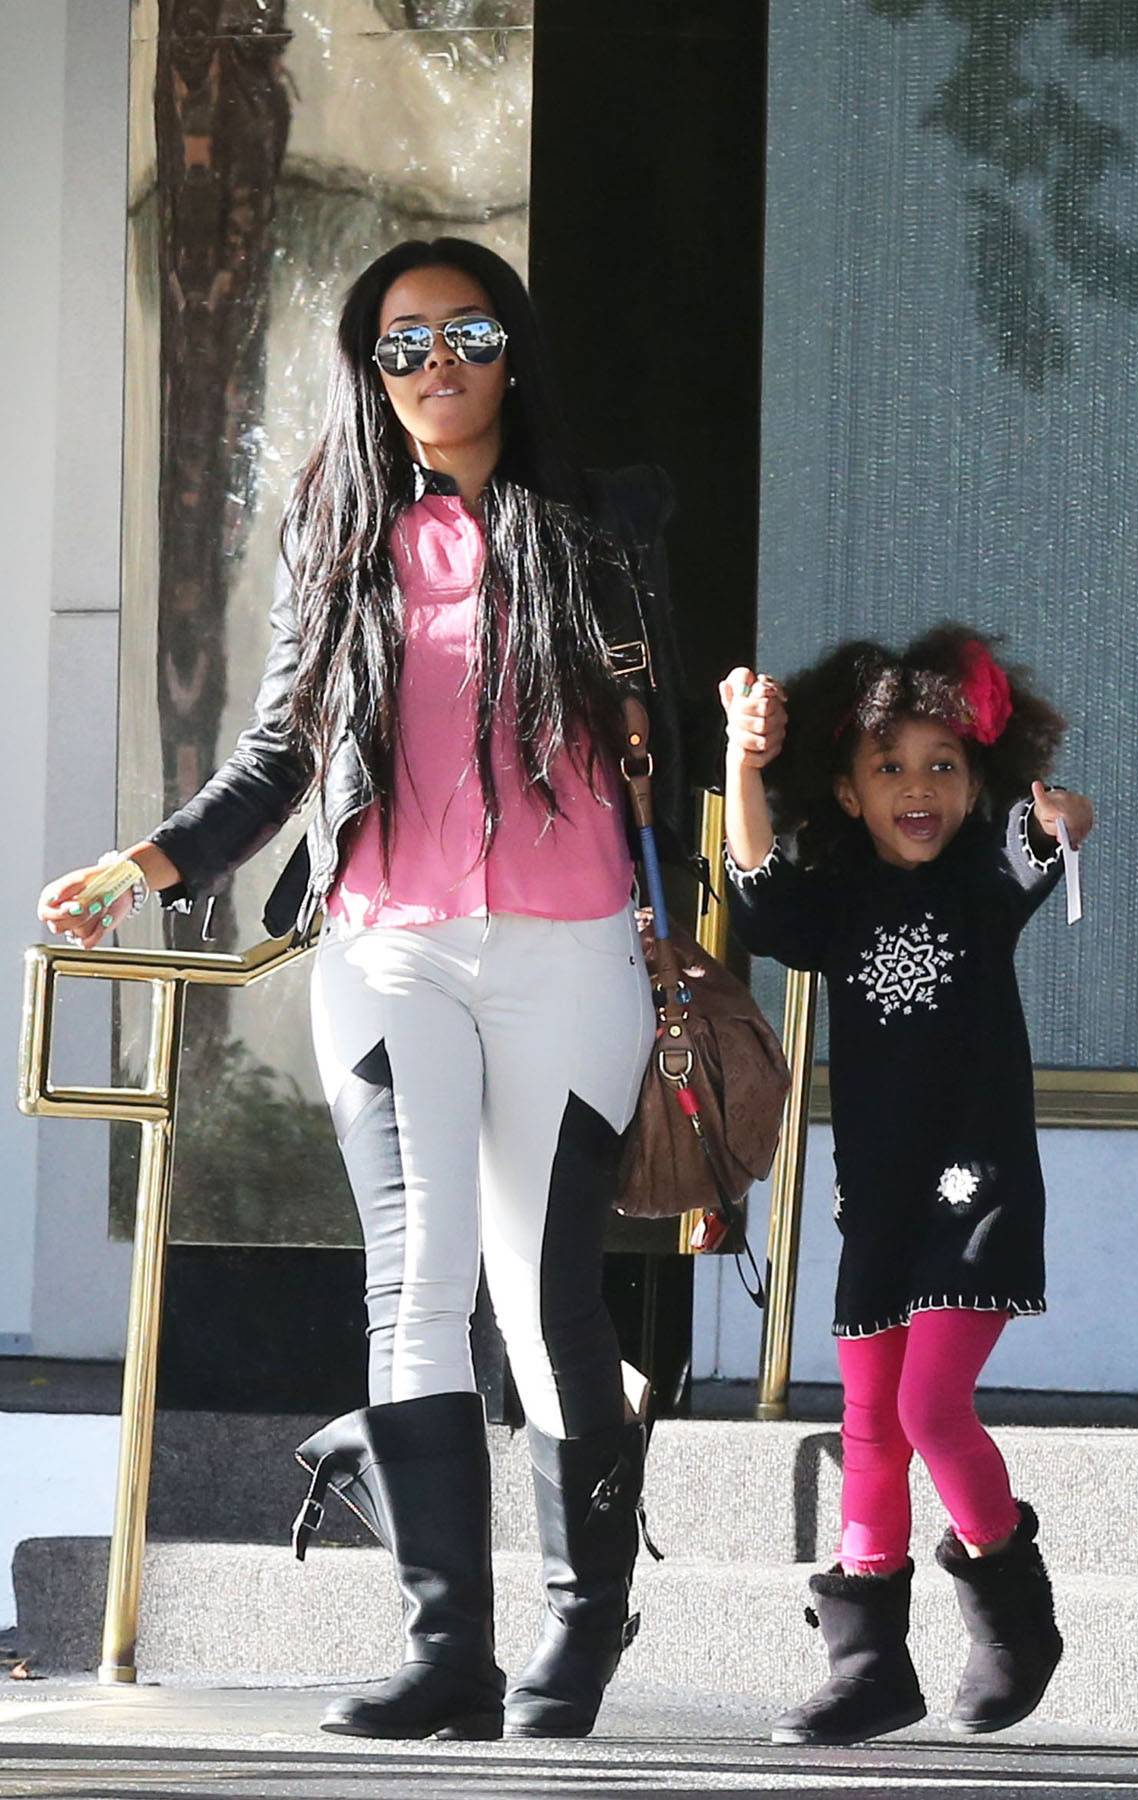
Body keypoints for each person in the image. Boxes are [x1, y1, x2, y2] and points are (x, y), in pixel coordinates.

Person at [38, 237, 708, 1742]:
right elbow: (279, 758)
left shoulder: (595, 527)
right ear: (370, 369)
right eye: (401, 344)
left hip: (572, 949)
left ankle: (581, 1625)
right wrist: (149, 862)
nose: (433, 365)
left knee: (545, 1311)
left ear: (509, 350)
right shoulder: (337, 535)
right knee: (411, 1288)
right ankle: (444, 1652)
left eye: (462, 333)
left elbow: (656, 740)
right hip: (386, 943)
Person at [719, 627, 1094, 1745]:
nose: (916, 787)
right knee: (871, 1424)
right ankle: (869, 1663)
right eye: (888, 767)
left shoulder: (984, 881)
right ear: (845, 789)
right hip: (873, 1197)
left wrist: (1061, 817)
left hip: (978, 1192)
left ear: (976, 780)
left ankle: (1013, 1618)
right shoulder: (831, 902)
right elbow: (757, 896)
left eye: (942, 764)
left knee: (932, 1407)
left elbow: (1045, 832)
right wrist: (741, 764)